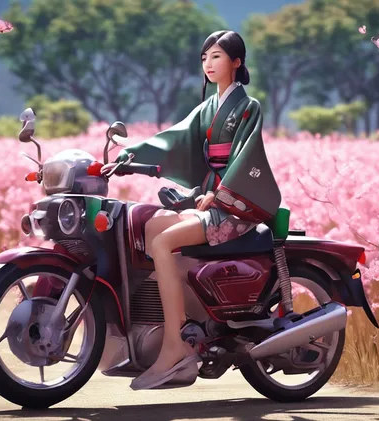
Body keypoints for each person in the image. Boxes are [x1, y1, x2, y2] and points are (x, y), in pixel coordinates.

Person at [101, 30, 281, 390]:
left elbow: (247, 159)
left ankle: (176, 345)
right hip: (208, 201)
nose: (208, 64)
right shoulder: (208, 107)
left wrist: (220, 195)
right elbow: (172, 138)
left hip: (234, 210)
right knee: (149, 229)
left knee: (163, 245)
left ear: (236, 62)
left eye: (216, 56)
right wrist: (129, 155)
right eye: (204, 58)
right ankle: (168, 326)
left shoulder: (248, 107)